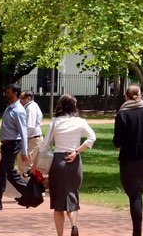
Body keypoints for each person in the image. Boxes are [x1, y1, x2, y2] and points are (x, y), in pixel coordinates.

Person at [42, 94, 96, 236]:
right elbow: (92, 137)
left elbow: (45, 144)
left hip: (59, 160)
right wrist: (77, 151)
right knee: (72, 196)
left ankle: (60, 234)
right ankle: (74, 225)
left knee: (58, 204)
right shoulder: (81, 121)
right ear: (74, 106)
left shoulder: (55, 122)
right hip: (74, 161)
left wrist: (37, 163)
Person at [114, 84, 143, 236]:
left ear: (125, 97)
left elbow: (117, 141)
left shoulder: (122, 114)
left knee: (134, 195)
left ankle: (137, 232)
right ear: (140, 95)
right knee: (138, 193)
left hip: (129, 161)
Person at [0, 84, 30, 211]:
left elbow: (23, 133)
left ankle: (31, 193)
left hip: (13, 144)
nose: (6, 94)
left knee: (7, 173)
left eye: (8, 92)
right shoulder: (10, 108)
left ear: (15, 93)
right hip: (6, 145)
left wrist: (24, 152)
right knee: (4, 173)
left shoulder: (19, 111)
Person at [21, 90, 44, 169]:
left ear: (28, 98)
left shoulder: (30, 108)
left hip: (33, 139)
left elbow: (30, 126)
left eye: (22, 98)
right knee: (32, 166)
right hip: (33, 139)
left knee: (25, 165)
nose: (20, 100)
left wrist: (23, 138)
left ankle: (25, 181)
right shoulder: (30, 106)